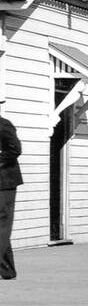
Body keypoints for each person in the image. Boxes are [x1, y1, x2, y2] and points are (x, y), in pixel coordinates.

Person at [0, 111, 22, 280]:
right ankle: (7, 270)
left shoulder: (3, 125)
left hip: (5, 182)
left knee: (2, 224)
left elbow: (15, 149)